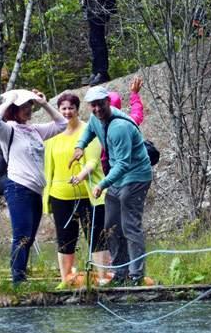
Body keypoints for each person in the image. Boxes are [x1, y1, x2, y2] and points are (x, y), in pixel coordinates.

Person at [71, 85, 152, 286]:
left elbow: (124, 163)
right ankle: (120, 272)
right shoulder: (95, 119)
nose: (97, 109)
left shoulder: (120, 127)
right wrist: (80, 146)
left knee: (129, 225)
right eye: (93, 105)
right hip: (117, 178)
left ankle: (136, 275)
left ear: (108, 101)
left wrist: (102, 183)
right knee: (111, 226)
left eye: (100, 104)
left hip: (135, 176)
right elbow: (90, 130)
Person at [0, 89, 67, 284]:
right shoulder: (8, 130)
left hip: (35, 191)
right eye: (23, 106)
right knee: (21, 236)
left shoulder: (34, 130)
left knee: (29, 237)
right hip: (18, 187)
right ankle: (18, 280)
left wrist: (44, 103)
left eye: (29, 106)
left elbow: (62, 124)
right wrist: (10, 100)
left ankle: (21, 274)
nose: (28, 109)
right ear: (13, 110)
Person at [43, 92, 110, 286]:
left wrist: (80, 176)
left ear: (77, 109)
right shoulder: (52, 135)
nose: (67, 112)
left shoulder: (88, 130)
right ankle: (65, 279)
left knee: (96, 236)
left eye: (70, 108)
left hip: (88, 195)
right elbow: (49, 167)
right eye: (63, 108)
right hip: (60, 195)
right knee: (65, 239)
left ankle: (104, 277)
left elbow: (92, 160)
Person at [75, 0, 117, 86]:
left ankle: (102, 72)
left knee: (97, 41)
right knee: (94, 41)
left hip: (99, 10)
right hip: (95, 10)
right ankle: (96, 71)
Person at [102, 75, 145, 174]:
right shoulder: (127, 122)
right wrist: (134, 94)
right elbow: (137, 112)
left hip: (108, 171)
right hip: (127, 169)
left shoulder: (96, 127)